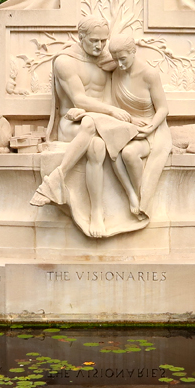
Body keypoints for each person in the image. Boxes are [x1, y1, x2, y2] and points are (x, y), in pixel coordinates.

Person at [30, 17, 134, 238]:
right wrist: (110, 112)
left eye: (103, 41)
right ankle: (62, 181)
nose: (99, 46)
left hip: (96, 122)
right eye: (94, 41)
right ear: (81, 37)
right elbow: (79, 99)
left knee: (96, 146)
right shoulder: (65, 61)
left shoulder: (106, 59)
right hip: (71, 122)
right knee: (89, 124)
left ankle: (94, 210)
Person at [107, 34, 170, 218]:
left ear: (133, 52)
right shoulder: (115, 72)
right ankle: (133, 195)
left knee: (128, 153)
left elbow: (163, 109)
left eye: (123, 59)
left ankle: (141, 196)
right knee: (109, 148)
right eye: (115, 59)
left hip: (151, 130)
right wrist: (128, 123)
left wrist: (150, 127)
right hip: (126, 127)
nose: (119, 64)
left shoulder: (149, 74)